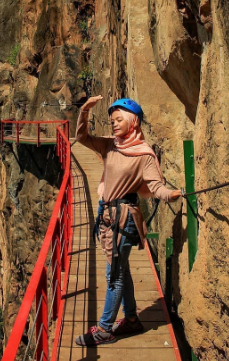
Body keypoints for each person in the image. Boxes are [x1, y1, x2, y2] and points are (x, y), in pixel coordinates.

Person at [74, 95, 181, 346]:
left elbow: (156, 186)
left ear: (133, 122)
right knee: (120, 270)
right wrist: (85, 111)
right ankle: (132, 319)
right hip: (109, 214)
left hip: (124, 217)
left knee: (114, 274)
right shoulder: (110, 145)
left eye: (119, 120)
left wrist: (170, 195)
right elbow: (81, 138)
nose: (113, 124)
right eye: (112, 120)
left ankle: (104, 328)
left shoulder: (144, 155)